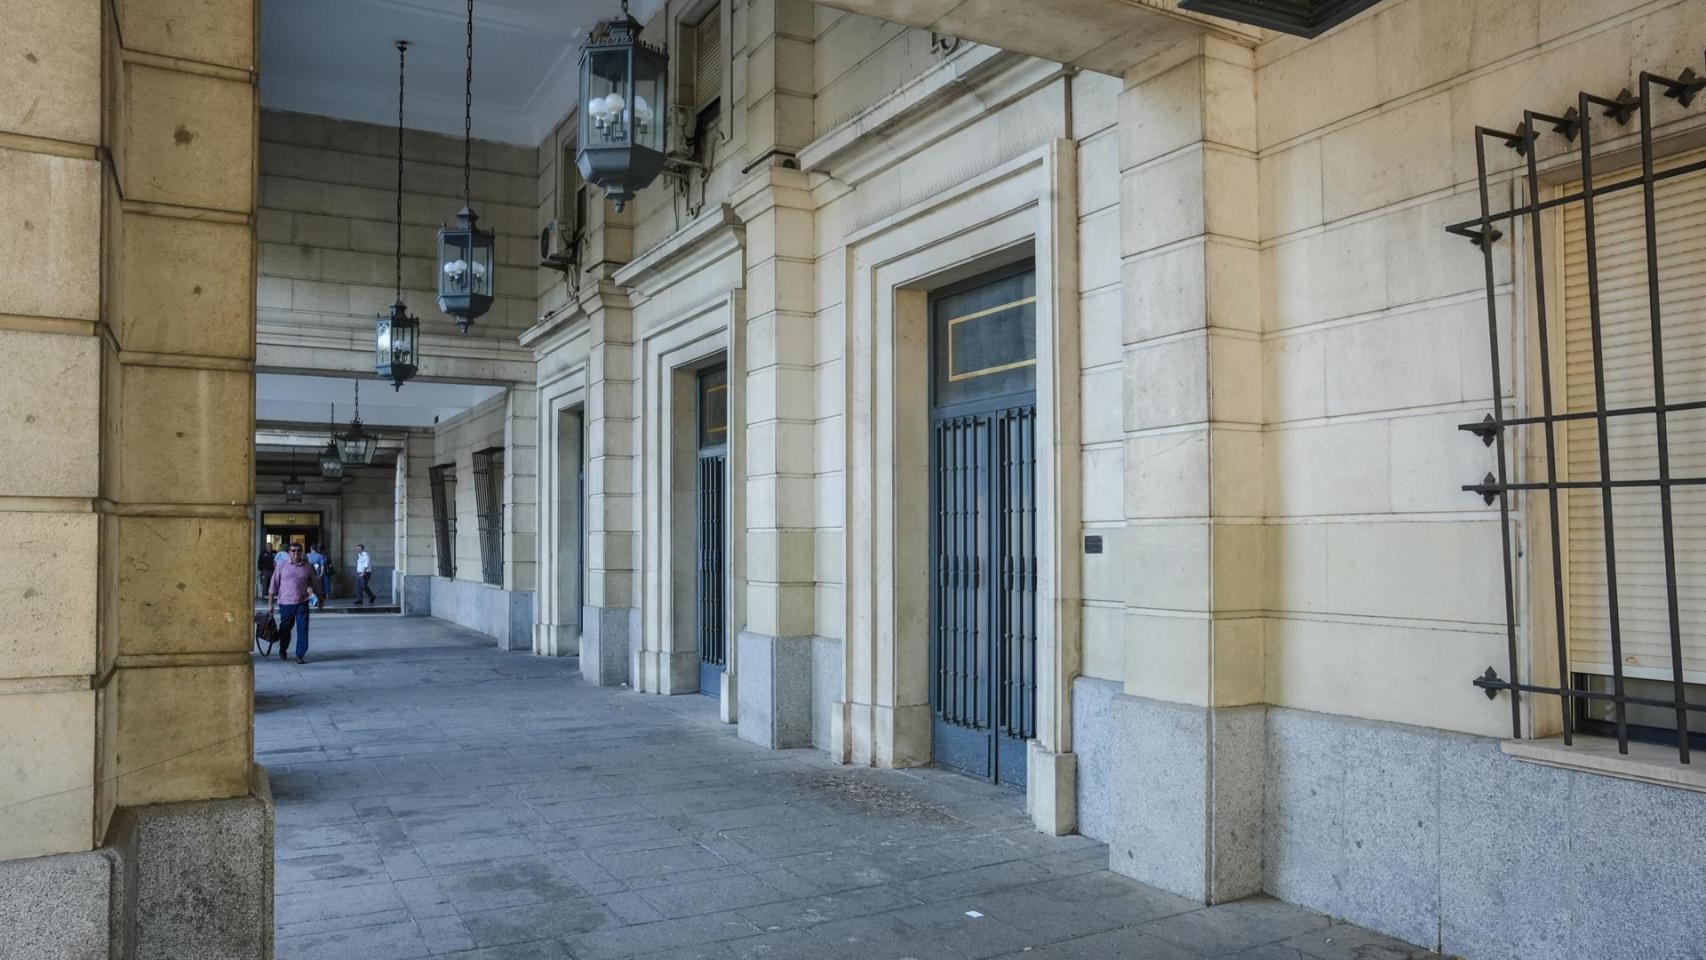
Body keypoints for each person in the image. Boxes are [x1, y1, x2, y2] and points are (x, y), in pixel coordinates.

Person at [267, 542, 320, 664]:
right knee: (285, 629)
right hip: (286, 603)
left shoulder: (307, 567)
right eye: (293, 551)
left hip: (302, 602)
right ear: (289, 553)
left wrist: (318, 596)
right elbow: (273, 585)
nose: (296, 553)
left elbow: (314, 583)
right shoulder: (281, 566)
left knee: (303, 629)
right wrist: (270, 604)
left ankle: (300, 655)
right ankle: (283, 649)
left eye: (298, 551)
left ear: (302, 552)